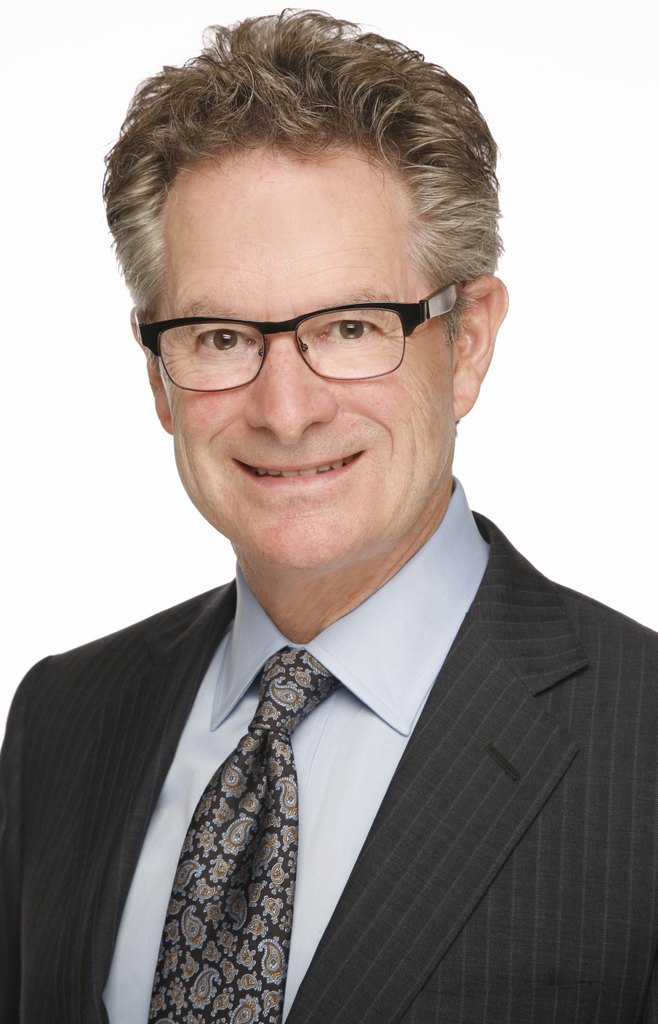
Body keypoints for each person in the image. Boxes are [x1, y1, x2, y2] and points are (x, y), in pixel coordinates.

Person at [0, 9, 656, 1023]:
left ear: (468, 341)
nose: (286, 409)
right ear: (158, 373)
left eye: (350, 327)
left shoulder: (642, 742)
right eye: (221, 337)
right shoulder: (62, 718)